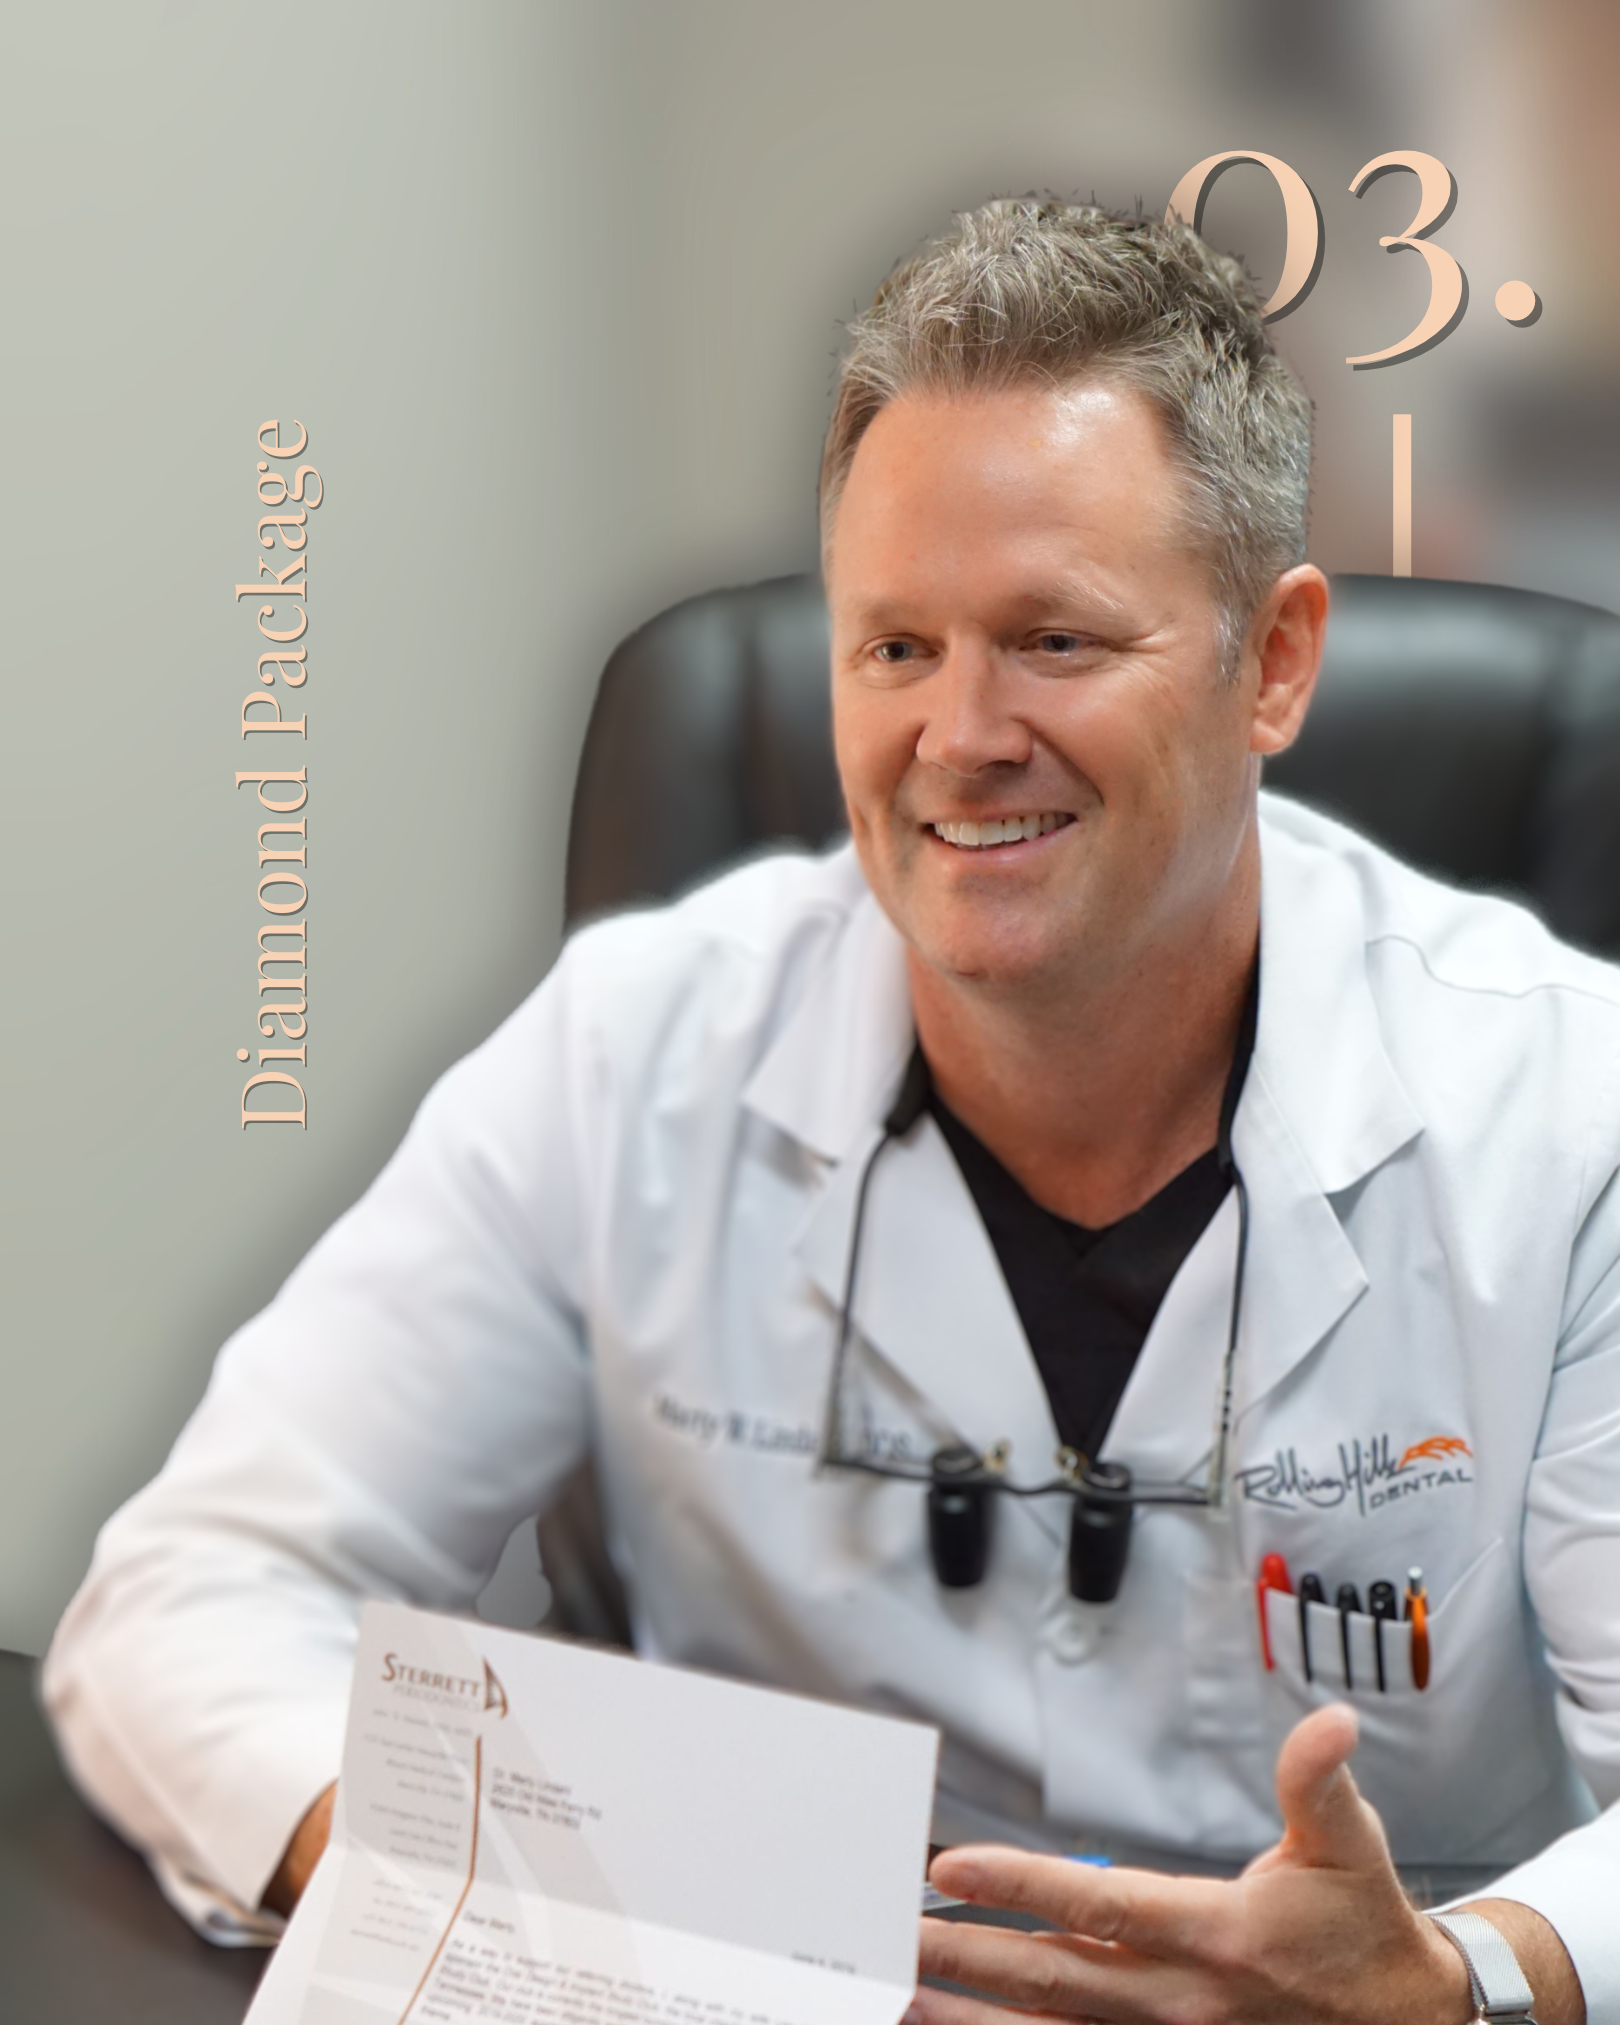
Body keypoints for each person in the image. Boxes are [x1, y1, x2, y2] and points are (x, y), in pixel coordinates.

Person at [43, 198, 1620, 2024]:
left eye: (1055, 640)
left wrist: (1467, 1976)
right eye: (894, 648)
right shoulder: (634, 1055)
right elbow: (196, 1594)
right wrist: (491, 1877)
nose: (959, 735)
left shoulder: (1569, 1120)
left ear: (1269, 665)